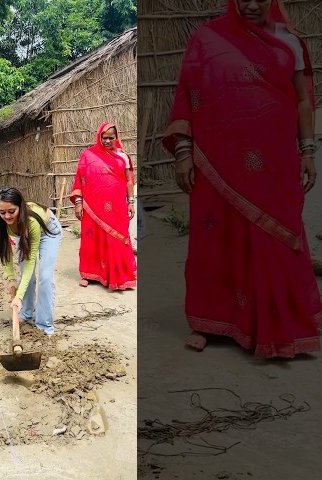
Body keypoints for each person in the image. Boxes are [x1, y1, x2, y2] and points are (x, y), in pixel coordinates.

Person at [163, 0, 320, 357]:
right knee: (217, 236)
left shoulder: (289, 42)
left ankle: (280, 320)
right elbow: (189, 94)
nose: (252, 4)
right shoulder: (208, 39)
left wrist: (308, 152)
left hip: (276, 159)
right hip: (218, 162)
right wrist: (185, 153)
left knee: (278, 233)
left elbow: (303, 102)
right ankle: (207, 321)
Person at [0, 187, 63, 335]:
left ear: (20, 207)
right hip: (24, 233)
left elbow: (30, 262)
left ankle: (44, 325)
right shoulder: (2, 222)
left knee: (45, 277)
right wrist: (11, 279)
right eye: (2, 212)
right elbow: (5, 252)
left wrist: (18, 296)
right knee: (26, 278)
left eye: (11, 211)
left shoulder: (31, 220)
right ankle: (26, 313)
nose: (7, 216)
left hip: (48, 231)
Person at [70, 122, 137, 290]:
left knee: (118, 239)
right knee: (92, 239)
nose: (107, 141)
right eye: (104, 137)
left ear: (116, 138)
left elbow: (129, 181)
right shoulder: (88, 155)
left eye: (111, 138)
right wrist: (78, 203)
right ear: (99, 137)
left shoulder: (123, 156)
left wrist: (131, 202)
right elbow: (80, 178)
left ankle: (118, 275)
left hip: (117, 207)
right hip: (92, 207)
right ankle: (88, 274)